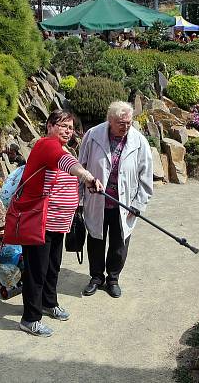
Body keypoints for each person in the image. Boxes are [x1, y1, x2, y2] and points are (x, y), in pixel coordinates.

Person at [16, 110, 103, 337]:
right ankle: (30, 319)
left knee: (52, 267)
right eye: (63, 125)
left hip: (59, 223)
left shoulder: (66, 149)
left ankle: (48, 303)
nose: (68, 131)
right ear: (49, 126)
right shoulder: (46, 145)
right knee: (37, 270)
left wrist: (88, 185)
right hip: (40, 222)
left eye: (71, 127)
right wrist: (87, 176)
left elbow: (68, 172)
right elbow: (65, 163)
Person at [78, 101, 154, 298]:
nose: (126, 126)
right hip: (97, 200)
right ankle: (96, 277)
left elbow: (146, 176)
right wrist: (78, 200)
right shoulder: (93, 135)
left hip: (125, 203)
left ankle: (113, 279)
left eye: (129, 122)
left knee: (119, 243)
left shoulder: (139, 141)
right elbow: (80, 167)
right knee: (95, 239)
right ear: (110, 120)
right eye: (121, 122)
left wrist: (138, 204)